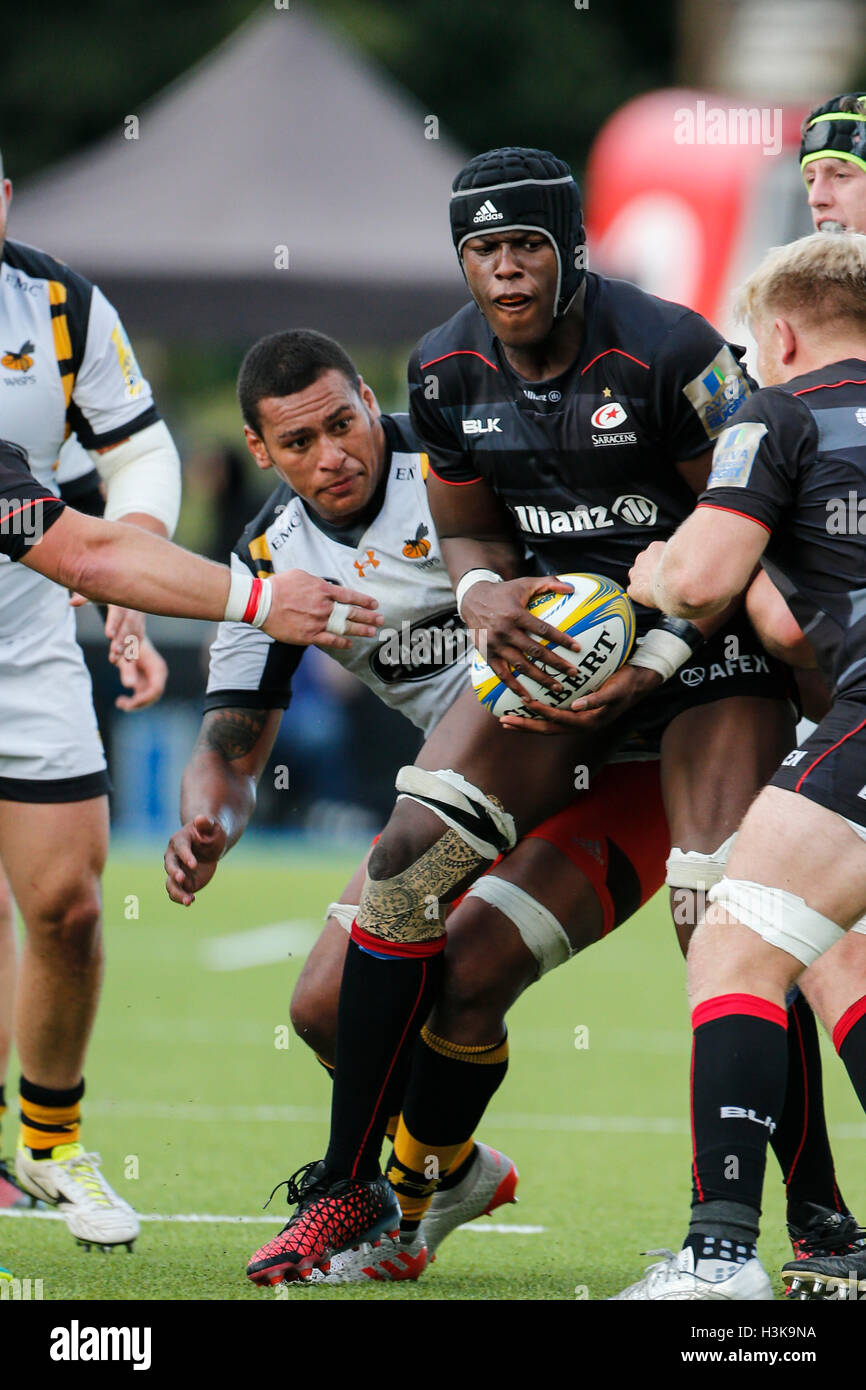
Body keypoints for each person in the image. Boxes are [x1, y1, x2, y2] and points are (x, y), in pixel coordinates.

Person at [237, 149, 851, 1289]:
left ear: (571, 250)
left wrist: (660, 645)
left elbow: (743, 528)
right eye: (481, 250)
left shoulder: (669, 350)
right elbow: (469, 533)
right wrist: (480, 598)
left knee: (723, 914)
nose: (504, 271)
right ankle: (347, 1190)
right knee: (405, 866)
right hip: (559, 649)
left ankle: (813, 1219)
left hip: (707, 648)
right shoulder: (440, 366)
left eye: (526, 246)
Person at [164, 330, 674, 1285]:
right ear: (260, 450)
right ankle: (452, 1173)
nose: (333, 455)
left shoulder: (461, 463)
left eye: (343, 424)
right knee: (322, 1005)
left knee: (470, 969)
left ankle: (381, 1194)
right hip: (455, 796)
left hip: (609, 777)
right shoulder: (275, 554)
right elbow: (232, 745)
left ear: (368, 397)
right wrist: (210, 822)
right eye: (301, 442)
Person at [614, 230, 866, 1300]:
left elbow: (705, 576)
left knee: (730, 945)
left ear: (778, 331)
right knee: (833, 958)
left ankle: (717, 1262)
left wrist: (654, 567)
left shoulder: (776, 410)